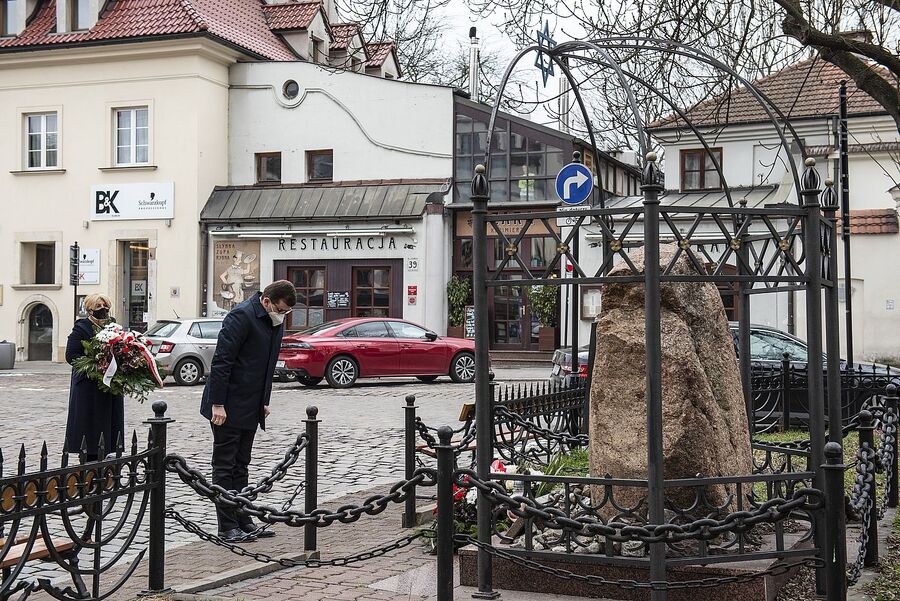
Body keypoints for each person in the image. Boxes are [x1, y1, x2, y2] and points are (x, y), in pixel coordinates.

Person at [200, 280, 297, 543]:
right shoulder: (241, 315)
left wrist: (263, 401)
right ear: (267, 301)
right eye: (280, 310)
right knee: (225, 466)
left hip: (251, 404)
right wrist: (217, 404)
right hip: (228, 404)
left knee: (242, 464)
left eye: (286, 313)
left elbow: (266, 365)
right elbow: (222, 360)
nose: (283, 315)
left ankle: (243, 518)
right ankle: (227, 525)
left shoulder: (273, 320)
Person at [64, 293, 124, 460]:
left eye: (106, 307)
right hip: (88, 387)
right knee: (89, 426)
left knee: (108, 424)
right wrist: (95, 364)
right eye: (98, 307)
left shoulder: (113, 327)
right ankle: (88, 459)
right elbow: (71, 355)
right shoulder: (81, 328)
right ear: (89, 310)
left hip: (110, 385)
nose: (103, 310)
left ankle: (106, 454)